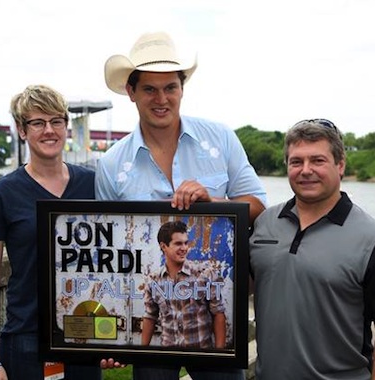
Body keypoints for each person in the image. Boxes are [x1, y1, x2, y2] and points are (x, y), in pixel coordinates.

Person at [96, 30, 266, 380]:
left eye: (170, 87)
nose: (161, 99)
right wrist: (113, 339)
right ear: (131, 92)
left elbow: (258, 205)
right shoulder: (111, 164)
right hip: (155, 333)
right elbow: (106, 257)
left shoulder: (221, 138)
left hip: (212, 329)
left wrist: (215, 204)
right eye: (149, 89)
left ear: (182, 88)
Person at [249, 118, 375, 379]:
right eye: (296, 161)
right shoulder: (265, 224)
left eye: (317, 160)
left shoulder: (372, 238)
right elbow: (241, 286)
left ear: (340, 165)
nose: (306, 170)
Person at [0, 84, 103, 380]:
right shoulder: (0, 194)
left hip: (85, 334)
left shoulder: (93, 185)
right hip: (25, 338)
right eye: (38, 122)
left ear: (66, 127)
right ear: (22, 130)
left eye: (57, 121)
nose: (49, 130)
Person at [142, 220, 227, 349]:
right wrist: (142, 352)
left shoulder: (204, 275)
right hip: (168, 351)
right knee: (143, 369)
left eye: (186, 243)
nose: (184, 248)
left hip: (200, 351)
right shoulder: (154, 280)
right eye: (178, 244)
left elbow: (218, 313)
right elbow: (150, 316)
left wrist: (220, 353)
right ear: (164, 246)